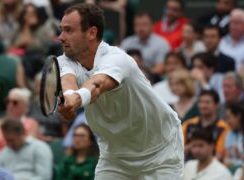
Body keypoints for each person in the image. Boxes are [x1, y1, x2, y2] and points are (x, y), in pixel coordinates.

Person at [57, 4, 183, 179]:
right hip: (114, 158)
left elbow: (97, 85)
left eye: (68, 30)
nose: (61, 37)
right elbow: (68, 81)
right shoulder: (65, 60)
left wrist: (76, 99)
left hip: (160, 153)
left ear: (92, 33)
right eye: (61, 30)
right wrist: (70, 100)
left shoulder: (117, 59)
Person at [182, 90, 231, 161]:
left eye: (207, 102)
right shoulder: (188, 124)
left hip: (213, 167)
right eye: (201, 102)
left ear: (216, 105)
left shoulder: (223, 127)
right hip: (187, 165)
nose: (203, 105)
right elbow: (179, 149)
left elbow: (220, 154)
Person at [224, 102, 244, 171]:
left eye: (229, 118)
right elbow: (226, 160)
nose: (227, 121)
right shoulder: (229, 134)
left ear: (238, 116)